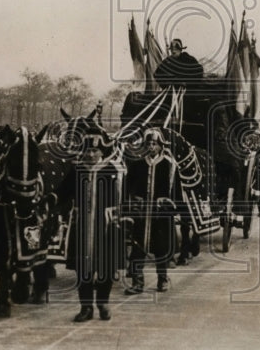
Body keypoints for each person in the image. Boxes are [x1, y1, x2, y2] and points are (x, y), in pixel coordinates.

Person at [58, 142, 126, 321]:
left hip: (106, 225)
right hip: (82, 225)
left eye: (95, 150)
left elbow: (122, 197)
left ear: (102, 152)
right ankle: (86, 307)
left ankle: (103, 303)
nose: (90, 154)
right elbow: (63, 192)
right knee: (83, 268)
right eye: (87, 150)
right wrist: (51, 199)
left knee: (106, 266)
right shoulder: (77, 170)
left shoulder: (111, 170)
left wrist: (122, 218)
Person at [124, 128, 177, 294]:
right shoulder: (137, 164)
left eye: (154, 144)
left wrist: (168, 203)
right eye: (148, 144)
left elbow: (176, 192)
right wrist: (132, 202)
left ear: (161, 146)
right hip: (141, 214)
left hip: (160, 215)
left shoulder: (169, 165)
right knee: (137, 247)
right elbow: (128, 187)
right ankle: (137, 283)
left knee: (161, 247)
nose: (151, 147)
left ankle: (162, 279)